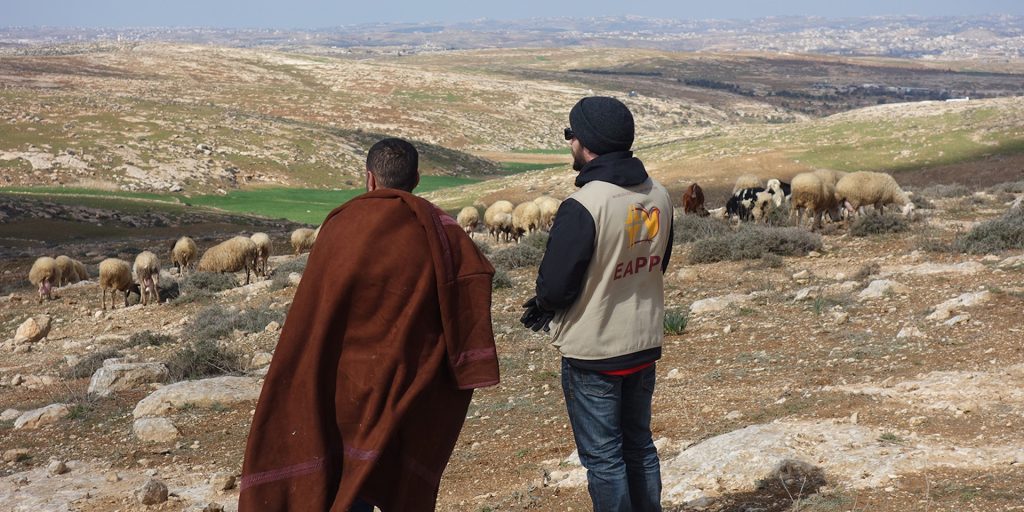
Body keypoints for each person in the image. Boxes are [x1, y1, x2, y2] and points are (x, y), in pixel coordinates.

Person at [240, 137, 500, 512]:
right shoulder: (440, 230)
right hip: (407, 376)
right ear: (417, 179)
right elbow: (471, 281)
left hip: (343, 377)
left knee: (346, 465)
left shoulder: (341, 225)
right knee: (392, 460)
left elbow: (315, 313)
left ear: (369, 178)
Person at [521, 97, 673, 511]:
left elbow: (555, 286)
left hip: (595, 352)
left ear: (586, 143)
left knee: (604, 459)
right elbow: (657, 262)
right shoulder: (658, 195)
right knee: (639, 444)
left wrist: (544, 305)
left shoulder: (585, 205)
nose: (569, 143)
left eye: (570, 135)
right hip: (642, 343)